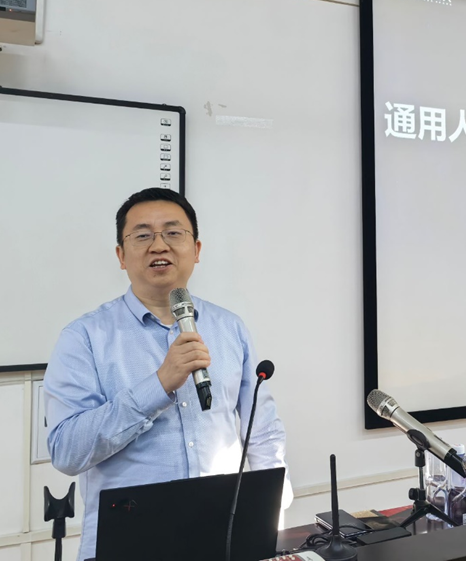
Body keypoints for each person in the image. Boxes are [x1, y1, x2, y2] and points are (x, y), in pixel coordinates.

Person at [43, 188, 290, 560]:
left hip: (224, 536)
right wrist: (157, 386)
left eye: (174, 233)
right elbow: (67, 451)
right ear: (121, 255)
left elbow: (263, 431)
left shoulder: (230, 328)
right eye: (143, 235)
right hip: (129, 543)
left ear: (197, 249)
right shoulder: (84, 337)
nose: (159, 245)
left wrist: (272, 518)